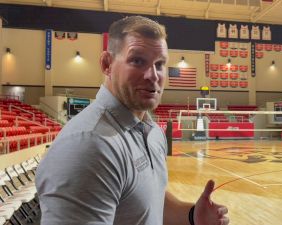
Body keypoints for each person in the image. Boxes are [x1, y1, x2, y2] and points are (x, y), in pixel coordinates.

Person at [36, 16, 229, 225]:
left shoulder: (151, 131)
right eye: (137, 60)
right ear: (107, 64)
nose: (152, 75)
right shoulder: (88, 146)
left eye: (160, 64)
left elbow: (147, 203)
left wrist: (191, 215)